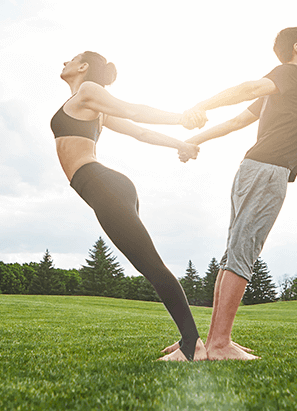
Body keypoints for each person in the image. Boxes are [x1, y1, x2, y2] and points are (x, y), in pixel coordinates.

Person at [165, 27, 297, 360]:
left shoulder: (285, 87)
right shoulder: (289, 74)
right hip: (266, 171)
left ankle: (214, 340)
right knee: (242, 252)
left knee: (234, 252)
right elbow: (247, 88)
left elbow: (237, 122)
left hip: (255, 170)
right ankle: (220, 344)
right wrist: (201, 105)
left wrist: (194, 141)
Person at [51, 50, 208, 361]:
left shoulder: (89, 91)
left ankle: (192, 346)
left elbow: (135, 114)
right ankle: (189, 340)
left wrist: (181, 119)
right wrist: (180, 144)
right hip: (103, 187)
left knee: (150, 264)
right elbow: (141, 133)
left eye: (71, 58)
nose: (63, 61)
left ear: (83, 67)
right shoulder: (88, 102)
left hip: (103, 186)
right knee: (148, 264)